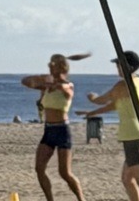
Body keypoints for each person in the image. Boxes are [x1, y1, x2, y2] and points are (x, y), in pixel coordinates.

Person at [82, 51, 139, 201]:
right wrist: (93, 113)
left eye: (118, 65)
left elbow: (102, 99)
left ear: (127, 66)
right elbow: (116, 104)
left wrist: (92, 97)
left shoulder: (123, 85)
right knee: (127, 179)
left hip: (133, 135)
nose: (117, 68)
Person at [21, 53, 90, 201]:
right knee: (39, 168)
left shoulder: (68, 85)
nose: (51, 68)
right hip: (49, 130)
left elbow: (67, 91)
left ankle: (81, 198)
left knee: (64, 173)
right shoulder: (46, 86)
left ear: (62, 68)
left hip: (62, 131)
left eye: (54, 66)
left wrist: (54, 83)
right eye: (50, 65)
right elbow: (25, 81)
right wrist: (42, 79)